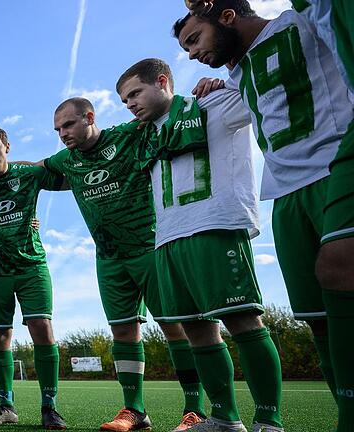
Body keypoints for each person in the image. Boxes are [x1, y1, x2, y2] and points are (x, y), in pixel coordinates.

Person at [174, 2, 354, 428]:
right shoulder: (236, 73)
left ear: (228, 16)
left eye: (195, 39)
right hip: (286, 194)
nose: (193, 54)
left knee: (342, 275)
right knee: (318, 321)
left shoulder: (303, 21)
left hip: (337, 167)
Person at [117, 57, 285, 432]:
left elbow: (263, 90)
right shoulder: (143, 133)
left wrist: (227, 82)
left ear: (162, 82)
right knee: (196, 329)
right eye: (125, 101)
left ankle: (269, 420)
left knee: (242, 319)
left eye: (135, 94)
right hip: (167, 238)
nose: (130, 104)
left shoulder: (212, 104)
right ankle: (225, 418)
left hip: (215, 226)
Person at [30, 97, 205, 431]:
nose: (62, 133)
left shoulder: (128, 134)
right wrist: (2, 166)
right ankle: (134, 411)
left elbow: (166, 115)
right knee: (124, 330)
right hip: (109, 258)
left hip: (151, 246)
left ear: (89, 117)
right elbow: (33, 171)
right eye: (57, 129)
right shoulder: (67, 160)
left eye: (68, 125)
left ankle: (194, 409)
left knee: (175, 326)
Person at [0, 127, 66, 430]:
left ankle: (50, 407)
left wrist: (23, 163)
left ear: (7, 146)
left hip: (32, 266)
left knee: (42, 328)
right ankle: (6, 405)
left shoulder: (27, 175)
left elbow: (64, 175)